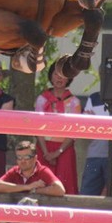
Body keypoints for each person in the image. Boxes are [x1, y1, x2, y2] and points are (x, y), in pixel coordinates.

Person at [34, 61, 81, 194]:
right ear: (51, 76)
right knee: (42, 183)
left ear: (69, 78)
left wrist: (58, 152)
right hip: (44, 148)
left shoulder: (74, 102)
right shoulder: (41, 99)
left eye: (63, 75)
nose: (59, 78)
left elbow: (73, 133)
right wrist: (45, 152)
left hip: (65, 149)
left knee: (66, 185)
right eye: (56, 74)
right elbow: (37, 129)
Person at [0, 140, 65, 197]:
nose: (22, 161)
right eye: (19, 157)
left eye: (26, 157)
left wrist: (36, 191)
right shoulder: (14, 171)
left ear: (35, 158)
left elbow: (60, 190)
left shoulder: (43, 171)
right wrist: (27, 187)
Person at [80, 91, 112, 196]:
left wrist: (97, 123)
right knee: (86, 196)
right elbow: (85, 127)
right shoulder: (94, 98)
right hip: (94, 154)